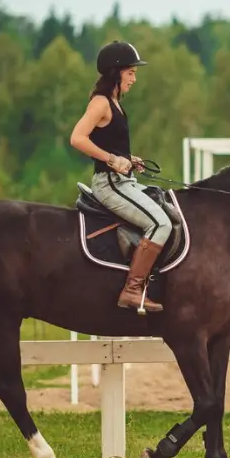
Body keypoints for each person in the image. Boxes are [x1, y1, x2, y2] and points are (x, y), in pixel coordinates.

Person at [69, 41, 173, 313]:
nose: (134, 79)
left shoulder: (115, 103)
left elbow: (110, 143)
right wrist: (112, 159)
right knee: (161, 224)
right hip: (110, 185)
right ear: (116, 72)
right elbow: (77, 138)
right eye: (131, 73)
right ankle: (132, 290)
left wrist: (129, 157)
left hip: (122, 181)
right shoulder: (101, 103)